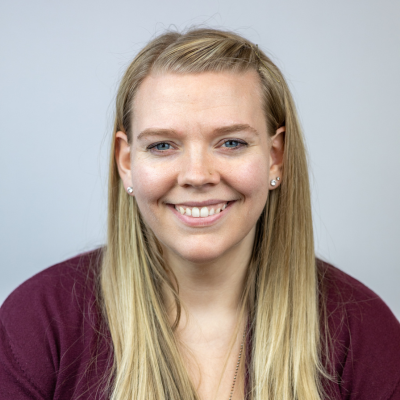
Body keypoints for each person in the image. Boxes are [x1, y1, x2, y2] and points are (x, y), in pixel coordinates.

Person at [1, 28, 399, 400]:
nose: (197, 175)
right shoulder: (36, 325)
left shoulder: (364, 332)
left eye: (230, 142)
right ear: (125, 161)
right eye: (162, 146)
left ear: (276, 158)